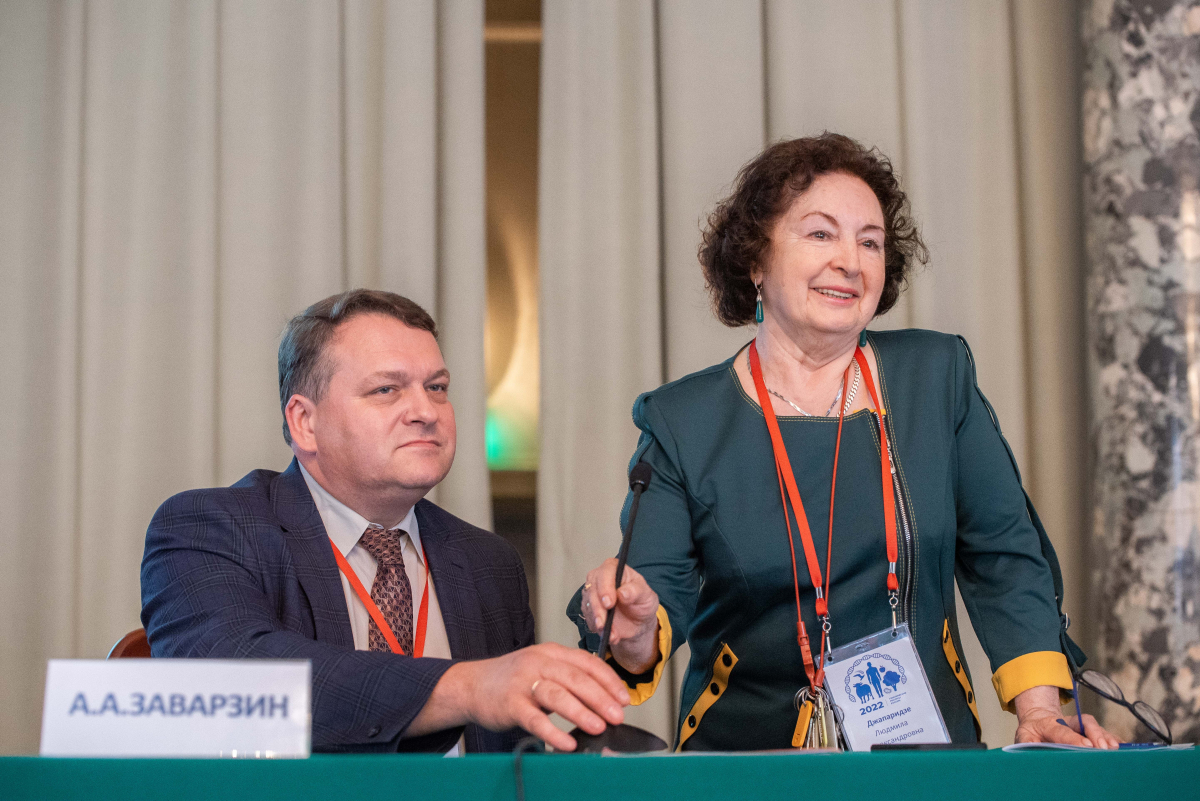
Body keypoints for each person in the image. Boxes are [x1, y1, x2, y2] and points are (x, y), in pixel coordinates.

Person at [571, 133, 1121, 750]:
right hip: (748, 764)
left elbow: (1005, 555)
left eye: (870, 242)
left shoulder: (935, 378)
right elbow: (649, 603)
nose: (850, 262)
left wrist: (1039, 709)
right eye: (820, 234)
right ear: (755, 260)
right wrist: (634, 628)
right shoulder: (683, 421)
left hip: (925, 762)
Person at [142, 289, 629, 753]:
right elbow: (236, 683)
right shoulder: (211, 529)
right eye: (386, 389)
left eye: (437, 388)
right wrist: (467, 686)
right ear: (305, 422)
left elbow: (514, 761)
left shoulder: (488, 563)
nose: (425, 411)